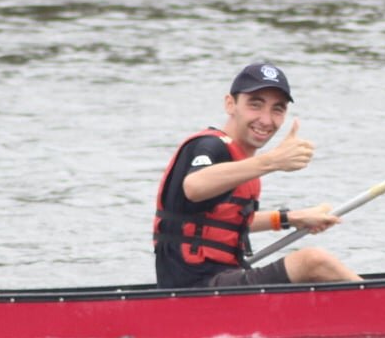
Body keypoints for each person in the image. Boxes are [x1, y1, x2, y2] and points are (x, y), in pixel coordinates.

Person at [153, 62, 362, 289]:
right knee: (312, 262)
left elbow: (225, 223)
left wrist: (293, 218)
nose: (266, 119)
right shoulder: (210, 146)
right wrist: (272, 161)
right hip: (196, 287)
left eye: (277, 109)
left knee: (315, 272)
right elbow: (194, 186)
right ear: (230, 104)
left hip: (223, 280)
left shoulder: (242, 162)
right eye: (255, 105)